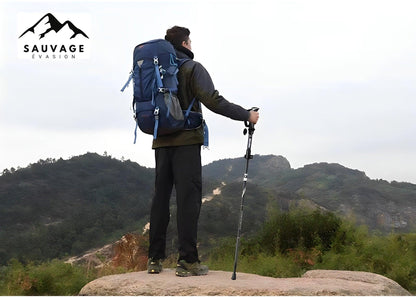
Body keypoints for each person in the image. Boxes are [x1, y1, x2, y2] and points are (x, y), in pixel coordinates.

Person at [147, 25, 259, 277]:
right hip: (186, 140)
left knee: (161, 199)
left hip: (161, 141)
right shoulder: (192, 68)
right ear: (186, 44)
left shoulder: (156, 69)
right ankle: (187, 261)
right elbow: (213, 100)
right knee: (188, 200)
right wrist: (246, 115)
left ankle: (154, 260)